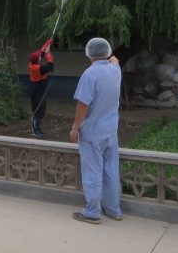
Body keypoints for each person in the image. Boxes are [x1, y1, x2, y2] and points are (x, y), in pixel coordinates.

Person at [69, 37, 122, 224]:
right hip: (111, 132)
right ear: (107, 52)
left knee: (92, 172)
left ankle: (92, 212)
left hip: (92, 133)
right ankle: (114, 210)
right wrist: (111, 58)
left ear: (88, 54)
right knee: (111, 171)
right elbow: (115, 60)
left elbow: (83, 104)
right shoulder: (115, 70)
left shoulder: (90, 74)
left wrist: (75, 127)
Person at [28, 39, 54, 138]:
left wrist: (48, 42)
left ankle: (36, 128)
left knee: (38, 111)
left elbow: (41, 51)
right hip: (38, 93)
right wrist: (48, 55)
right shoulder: (38, 69)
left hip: (36, 91)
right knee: (39, 111)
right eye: (39, 57)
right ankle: (36, 130)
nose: (40, 56)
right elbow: (50, 65)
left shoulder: (32, 63)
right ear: (38, 60)